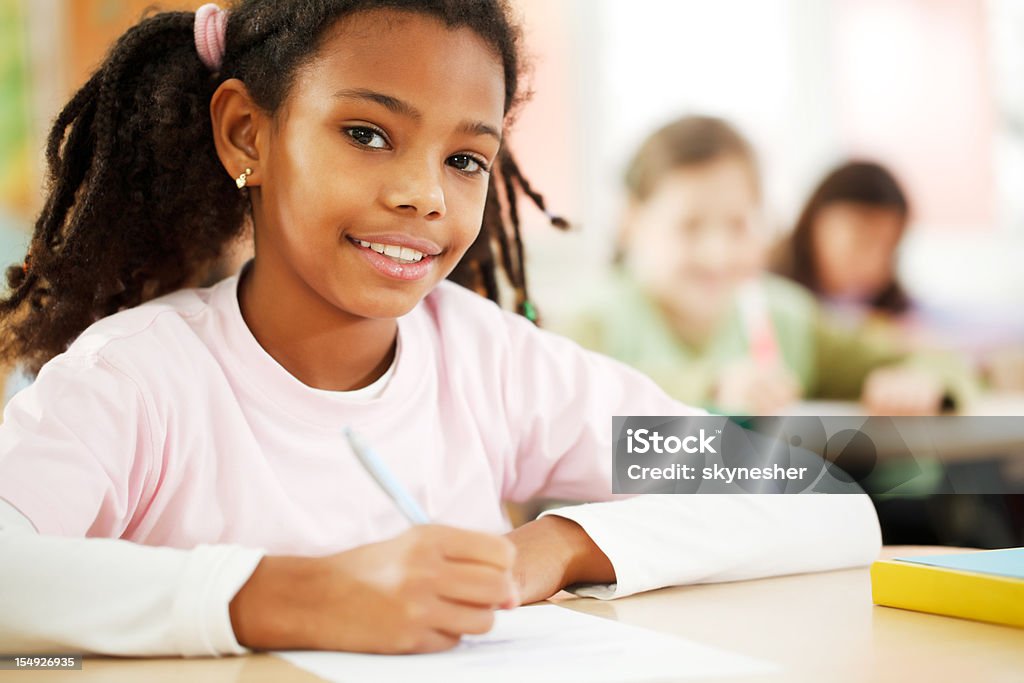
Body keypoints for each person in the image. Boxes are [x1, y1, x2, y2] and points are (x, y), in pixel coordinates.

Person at [0, 2, 879, 657]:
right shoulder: (137, 380)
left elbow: (812, 496)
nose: (424, 193)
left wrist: (561, 546)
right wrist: (298, 597)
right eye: (367, 133)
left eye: (465, 159)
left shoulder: (495, 366)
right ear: (246, 136)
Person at [560, 116, 974, 415]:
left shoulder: (786, 316)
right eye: (690, 226)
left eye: (739, 225)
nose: (718, 254)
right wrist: (712, 387)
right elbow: (571, 394)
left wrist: (925, 381)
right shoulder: (592, 319)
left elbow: (930, 356)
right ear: (631, 221)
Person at [775, 161, 912, 319]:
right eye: (862, 241)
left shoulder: (896, 315)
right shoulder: (770, 299)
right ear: (815, 223)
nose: (873, 261)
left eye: (889, 248)